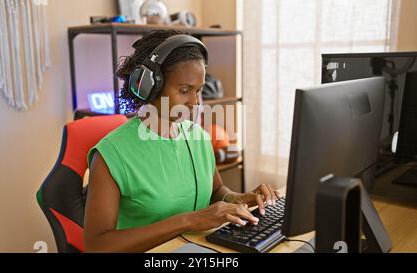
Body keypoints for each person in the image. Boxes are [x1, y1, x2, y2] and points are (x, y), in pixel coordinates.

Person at [84, 29, 279, 252]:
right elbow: (96, 246)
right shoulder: (111, 155)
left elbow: (216, 191)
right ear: (149, 87)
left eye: (199, 90)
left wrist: (240, 199)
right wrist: (188, 221)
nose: (196, 103)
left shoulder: (198, 137)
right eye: (185, 90)